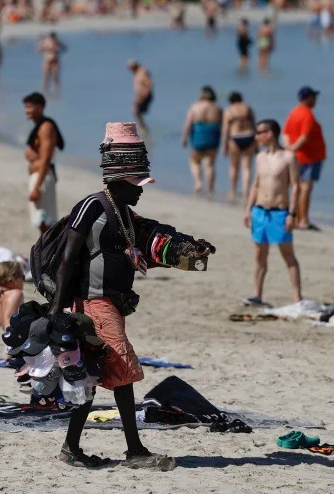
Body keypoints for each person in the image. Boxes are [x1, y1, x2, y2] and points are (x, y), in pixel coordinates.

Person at [49, 121, 214, 470]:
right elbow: (67, 259)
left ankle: (72, 448)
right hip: (93, 304)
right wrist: (57, 312)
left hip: (111, 305)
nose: (141, 190)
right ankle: (134, 450)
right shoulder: (91, 207)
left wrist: (191, 249)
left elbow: (152, 246)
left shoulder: (124, 214)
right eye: (137, 184)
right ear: (120, 180)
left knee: (93, 374)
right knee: (121, 371)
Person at [243, 119, 303, 306]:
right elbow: (256, 184)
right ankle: (258, 295)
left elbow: (296, 186)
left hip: (280, 212)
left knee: (288, 255)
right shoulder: (259, 157)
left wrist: (293, 214)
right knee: (260, 255)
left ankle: (297, 298)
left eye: (260, 132)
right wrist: (248, 209)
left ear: (270, 134)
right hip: (260, 211)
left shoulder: (288, 157)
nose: (257, 136)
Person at [283, 86, 326, 231]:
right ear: (308, 98)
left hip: (300, 157)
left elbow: (285, 134)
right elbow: (305, 137)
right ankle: (303, 220)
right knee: (305, 189)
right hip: (308, 157)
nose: (316, 100)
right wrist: (293, 149)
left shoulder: (294, 112)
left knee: (298, 188)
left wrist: (289, 149)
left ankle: (296, 218)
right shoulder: (307, 114)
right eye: (314, 97)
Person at [24, 92, 64, 235]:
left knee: (45, 222)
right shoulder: (39, 126)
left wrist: (36, 187)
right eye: (26, 107)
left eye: (29, 107)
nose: (26, 111)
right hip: (41, 175)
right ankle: (46, 255)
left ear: (40, 107)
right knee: (42, 223)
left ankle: (48, 255)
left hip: (43, 177)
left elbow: (46, 159)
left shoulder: (46, 127)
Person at [180, 86, 221, 196]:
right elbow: (224, 125)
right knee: (210, 164)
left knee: (195, 161)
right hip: (213, 135)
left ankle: (198, 182)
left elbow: (188, 124)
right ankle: (211, 189)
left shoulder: (195, 107)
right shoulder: (218, 108)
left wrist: (184, 138)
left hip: (199, 134)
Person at [221, 91, 256, 202]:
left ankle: (233, 190)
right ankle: (246, 190)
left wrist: (224, 145)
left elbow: (225, 129)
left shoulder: (229, 110)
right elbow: (254, 125)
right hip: (249, 136)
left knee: (234, 166)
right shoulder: (248, 108)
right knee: (247, 167)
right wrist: (257, 142)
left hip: (235, 138)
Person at [126, 60, 153, 134]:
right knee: (135, 111)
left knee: (136, 111)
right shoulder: (137, 73)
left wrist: (145, 94)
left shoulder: (142, 72)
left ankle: (144, 129)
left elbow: (149, 83)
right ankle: (143, 128)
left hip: (144, 95)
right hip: (140, 96)